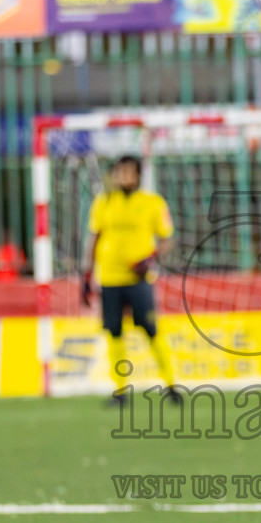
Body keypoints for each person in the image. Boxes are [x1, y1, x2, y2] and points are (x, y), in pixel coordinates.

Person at [82, 155, 179, 400]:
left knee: (150, 329)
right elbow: (94, 238)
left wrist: (150, 258)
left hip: (139, 280)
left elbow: (167, 239)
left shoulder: (152, 203)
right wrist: (86, 276)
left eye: (127, 172)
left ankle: (171, 385)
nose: (122, 177)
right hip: (110, 279)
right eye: (118, 172)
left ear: (137, 175)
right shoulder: (103, 202)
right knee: (114, 332)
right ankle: (120, 389)